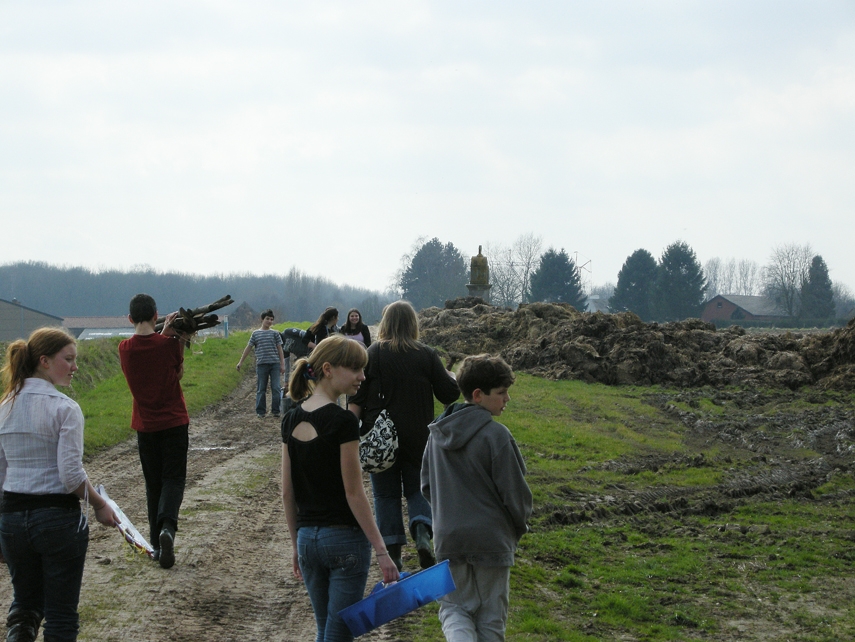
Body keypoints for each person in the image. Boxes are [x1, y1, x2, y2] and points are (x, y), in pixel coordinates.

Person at [0, 328, 118, 642]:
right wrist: (100, 504)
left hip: (11, 521)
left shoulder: (4, 408)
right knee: (61, 616)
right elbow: (70, 476)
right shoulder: (65, 408)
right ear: (44, 361)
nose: (75, 367)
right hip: (57, 521)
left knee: (24, 607)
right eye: (69, 359)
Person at [281, 335, 399, 642]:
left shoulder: (291, 417)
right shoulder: (344, 421)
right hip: (344, 542)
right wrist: (382, 551)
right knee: (337, 635)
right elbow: (354, 492)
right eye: (355, 369)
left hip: (308, 540)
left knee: (327, 630)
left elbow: (287, 492)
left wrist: (296, 544)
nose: (362, 376)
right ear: (329, 369)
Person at [421, 354, 532, 641]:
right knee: (491, 619)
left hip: (449, 538)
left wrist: (447, 515)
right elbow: (515, 494)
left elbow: (426, 485)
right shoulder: (497, 436)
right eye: (502, 392)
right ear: (478, 395)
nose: (507, 399)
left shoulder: (436, 435)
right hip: (491, 541)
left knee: (454, 608)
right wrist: (517, 527)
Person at [348, 300, 459, 571]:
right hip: (419, 435)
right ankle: (422, 531)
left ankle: (393, 552)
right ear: (413, 324)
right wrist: (450, 376)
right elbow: (449, 394)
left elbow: (357, 397)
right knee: (417, 489)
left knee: (385, 496)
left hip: (381, 437)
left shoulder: (373, 353)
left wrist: (351, 431)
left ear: (385, 323)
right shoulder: (426, 355)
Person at [119, 294, 190, 570]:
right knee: (174, 479)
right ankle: (168, 528)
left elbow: (148, 350)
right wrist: (171, 336)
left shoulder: (124, 348)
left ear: (129, 319)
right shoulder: (169, 345)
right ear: (156, 314)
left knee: (153, 484)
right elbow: (178, 373)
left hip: (145, 426)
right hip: (174, 422)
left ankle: (157, 547)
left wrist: (164, 333)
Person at [236, 309, 287, 418]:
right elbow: (248, 348)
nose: (269, 321)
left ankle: (276, 410)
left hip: (274, 364)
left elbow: (280, 349)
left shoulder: (275, 334)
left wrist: (282, 364)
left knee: (276, 388)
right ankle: (260, 411)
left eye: (271, 319)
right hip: (261, 365)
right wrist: (241, 362)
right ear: (262, 319)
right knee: (261, 388)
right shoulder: (255, 334)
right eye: (267, 319)